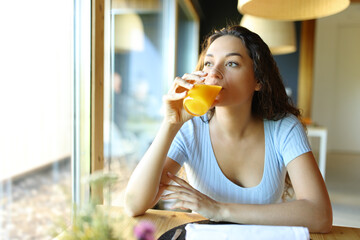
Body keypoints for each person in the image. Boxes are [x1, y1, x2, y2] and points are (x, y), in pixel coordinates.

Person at [124, 25, 332, 233]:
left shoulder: (285, 128)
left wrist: (218, 209)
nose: (214, 72)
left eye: (232, 63)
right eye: (208, 63)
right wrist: (170, 124)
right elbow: (134, 205)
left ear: (258, 80)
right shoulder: (189, 128)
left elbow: (320, 215)